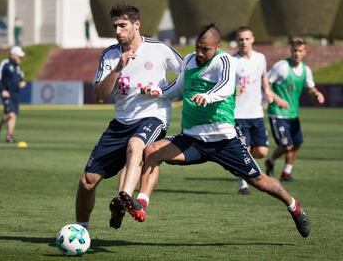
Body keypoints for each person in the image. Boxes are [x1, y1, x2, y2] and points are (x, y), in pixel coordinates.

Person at [123, 24, 311, 238]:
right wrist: (158, 91)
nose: (200, 53)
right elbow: (177, 89)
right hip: (192, 138)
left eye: (206, 49)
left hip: (223, 141)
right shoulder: (189, 60)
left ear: (218, 47)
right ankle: (142, 203)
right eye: (198, 48)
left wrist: (208, 96)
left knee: (260, 181)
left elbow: (226, 86)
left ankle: (294, 206)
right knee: (152, 151)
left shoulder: (224, 61)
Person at [75, 2, 182, 230]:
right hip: (121, 122)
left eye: (123, 26)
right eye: (115, 26)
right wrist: (117, 69)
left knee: (135, 146)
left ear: (137, 25)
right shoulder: (110, 55)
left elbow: (187, 73)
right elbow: (99, 95)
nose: (117, 31)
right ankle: (80, 230)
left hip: (153, 116)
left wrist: (163, 91)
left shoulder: (159, 49)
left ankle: (123, 197)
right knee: (87, 182)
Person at [265, 37, 325, 182]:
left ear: (305, 53)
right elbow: (266, 83)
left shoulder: (306, 70)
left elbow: (309, 87)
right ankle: (270, 161)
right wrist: (277, 99)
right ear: (291, 51)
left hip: (293, 114)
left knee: (296, 144)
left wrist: (316, 93)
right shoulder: (281, 66)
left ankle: (286, 173)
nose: (297, 53)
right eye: (294, 50)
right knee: (287, 145)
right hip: (278, 113)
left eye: (300, 51)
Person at [233, 26, 273, 195]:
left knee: (261, 151)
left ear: (252, 39)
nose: (244, 42)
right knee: (245, 149)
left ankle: (240, 166)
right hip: (238, 114)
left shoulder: (260, 58)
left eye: (246, 39)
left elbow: (264, 78)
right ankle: (243, 184)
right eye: (241, 39)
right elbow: (224, 84)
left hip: (256, 113)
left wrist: (268, 91)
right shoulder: (232, 60)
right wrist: (233, 91)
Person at [0, 46, 26, 143]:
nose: (20, 58)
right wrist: (2, 90)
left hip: (16, 94)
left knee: (13, 115)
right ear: (13, 55)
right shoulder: (5, 64)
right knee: (10, 114)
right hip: (7, 93)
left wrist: (22, 83)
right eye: (19, 56)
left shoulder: (18, 66)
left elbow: (21, 78)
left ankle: (8, 136)